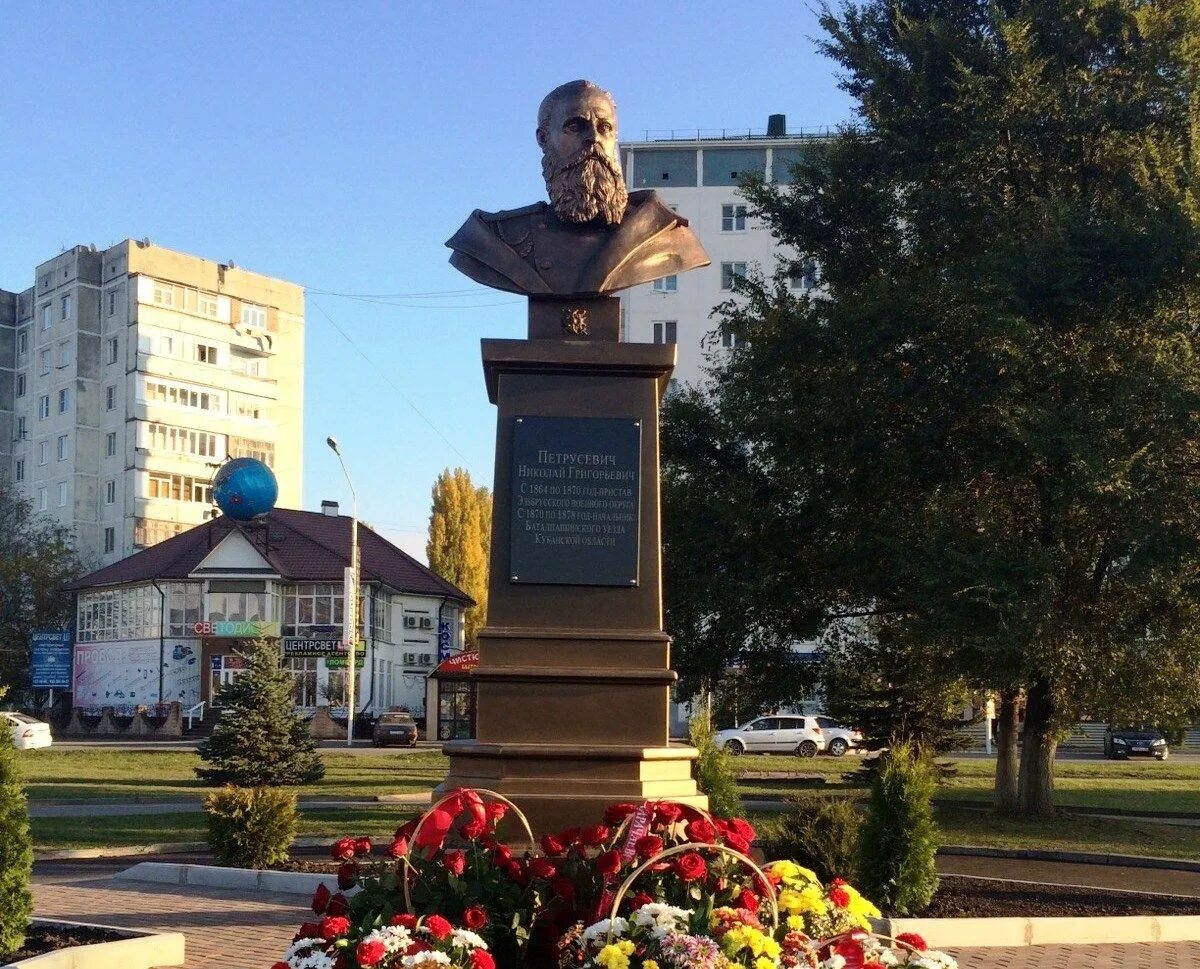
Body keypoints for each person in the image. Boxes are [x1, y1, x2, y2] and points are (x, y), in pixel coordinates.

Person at [447, 80, 709, 298]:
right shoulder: (494, 238)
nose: (593, 138)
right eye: (575, 126)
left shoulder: (665, 235)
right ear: (543, 138)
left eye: (604, 128)